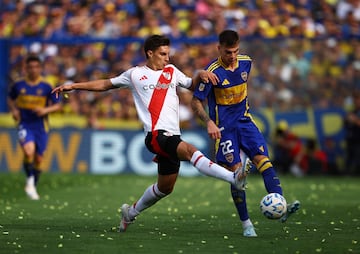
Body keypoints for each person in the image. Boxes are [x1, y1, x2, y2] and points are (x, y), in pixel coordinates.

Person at [51, 34, 248, 232]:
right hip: (155, 135)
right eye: (163, 54)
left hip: (172, 136)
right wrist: (74, 86)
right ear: (150, 53)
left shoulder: (172, 71)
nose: (167, 58)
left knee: (165, 188)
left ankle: (130, 213)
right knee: (190, 151)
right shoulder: (134, 74)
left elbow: (192, 85)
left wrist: (200, 73)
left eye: (168, 54)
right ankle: (233, 178)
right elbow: (105, 84)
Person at [191, 30, 301, 237]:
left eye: (235, 51)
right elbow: (195, 101)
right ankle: (246, 224)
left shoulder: (246, 62)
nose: (232, 56)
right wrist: (208, 122)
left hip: (245, 122)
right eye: (228, 52)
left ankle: (280, 206)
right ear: (219, 49)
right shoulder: (212, 72)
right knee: (237, 175)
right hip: (224, 129)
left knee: (264, 161)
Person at [7, 54, 62, 200]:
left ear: (40, 68)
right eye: (30, 67)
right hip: (25, 123)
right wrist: (14, 110)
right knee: (28, 151)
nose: (33, 70)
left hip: (41, 125)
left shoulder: (46, 86)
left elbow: (57, 105)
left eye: (36, 67)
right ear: (25, 68)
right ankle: (30, 183)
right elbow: (10, 99)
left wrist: (45, 110)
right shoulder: (18, 85)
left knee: (38, 159)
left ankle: (32, 185)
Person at [344, 91, 360, 175]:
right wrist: (347, 120)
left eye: (357, 99)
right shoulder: (353, 111)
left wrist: (355, 120)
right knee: (349, 157)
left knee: (357, 158)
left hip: (358, 139)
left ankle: (356, 173)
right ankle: (347, 173)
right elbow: (345, 124)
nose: (355, 101)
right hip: (351, 138)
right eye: (355, 99)